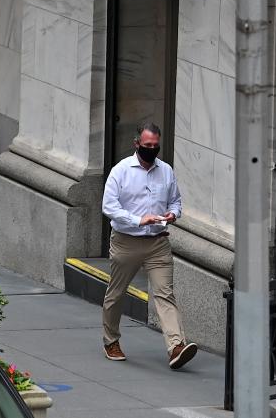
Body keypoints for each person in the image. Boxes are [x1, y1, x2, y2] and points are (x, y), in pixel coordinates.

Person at [100, 122, 197, 369]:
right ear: (137, 145)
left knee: (165, 294)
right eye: (147, 146)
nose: (152, 149)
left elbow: (176, 202)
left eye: (155, 146)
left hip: (158, 243)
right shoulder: (121, 171)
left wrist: (173, 214)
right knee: (116, 293)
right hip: (126, 242)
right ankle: (111, 340)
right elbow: (108, 207)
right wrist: (138, 219)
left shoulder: (166, 171)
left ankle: (176, 346)